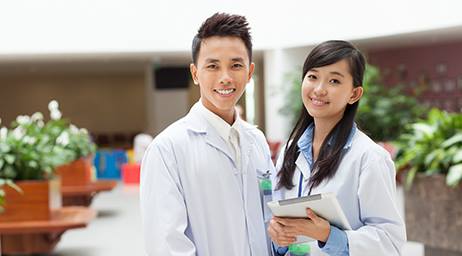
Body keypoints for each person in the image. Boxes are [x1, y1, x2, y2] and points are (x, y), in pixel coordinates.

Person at [140, 13, 273, 256]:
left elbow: (271, 221)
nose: (225, 77)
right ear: (195, 73)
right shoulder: (167, 149)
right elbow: (166, 246)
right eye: (212, 66)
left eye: (236, 65)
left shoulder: (257, 141)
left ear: (250, 71)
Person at [268, 40, 406, 255]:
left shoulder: (369, 157)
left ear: (354, 94)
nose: (319, 89)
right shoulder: (288, 151)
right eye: (312, 77)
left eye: (334, 80)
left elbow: (390, 242)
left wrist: (328, 235)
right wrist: (278, 237)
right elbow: (278, 227)